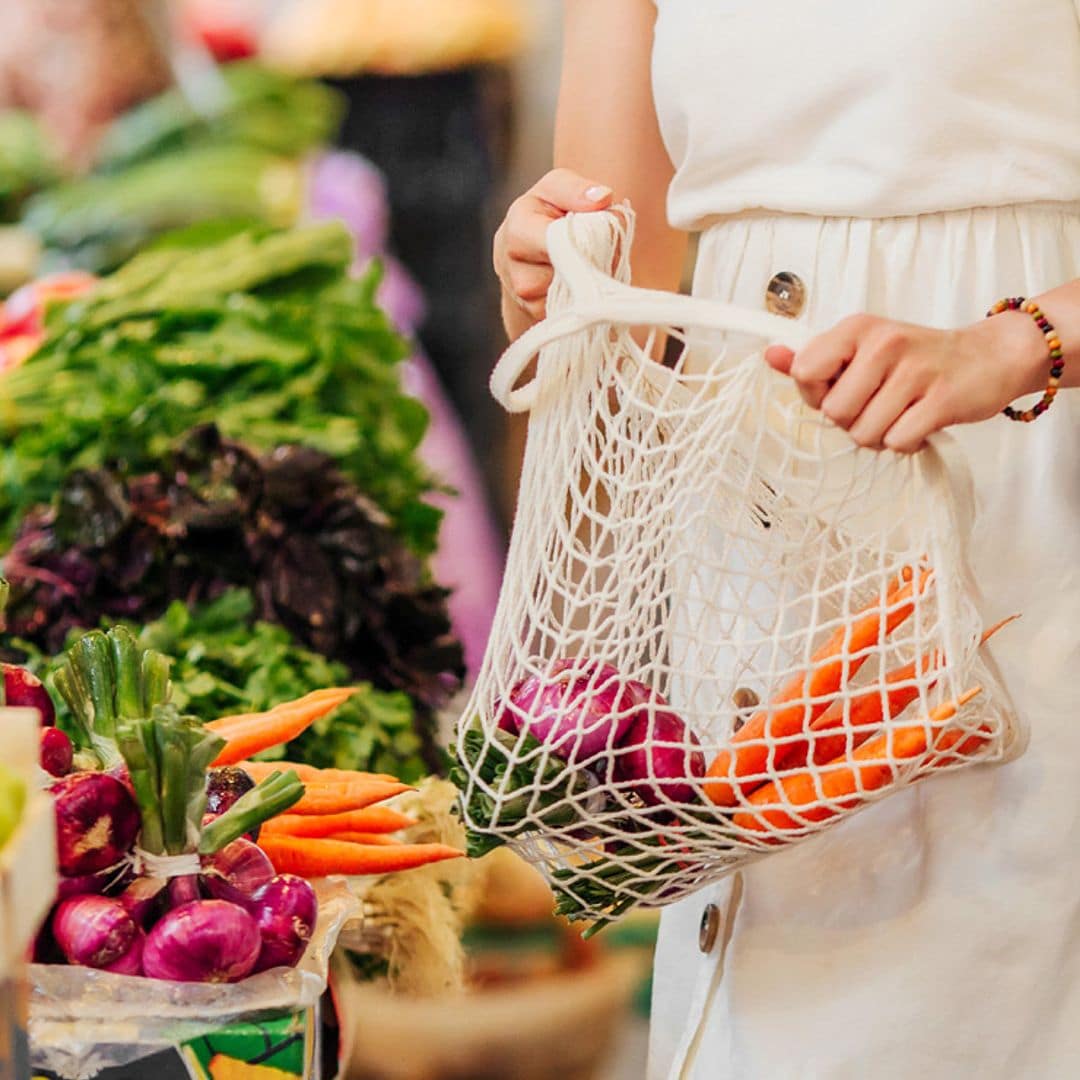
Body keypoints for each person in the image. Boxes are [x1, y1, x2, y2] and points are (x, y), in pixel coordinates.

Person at [492, 3, 1080, 1077]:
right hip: (755, 544)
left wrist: (1020, 341)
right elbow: (622, 263)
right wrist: (546, 268)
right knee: (773, 984)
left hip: (1029, 497)